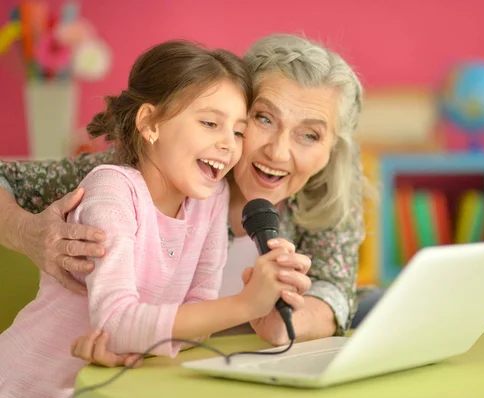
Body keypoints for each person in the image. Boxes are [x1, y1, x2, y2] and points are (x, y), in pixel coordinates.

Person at [0, 34, 380, 367]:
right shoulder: (144, 174)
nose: (279, 153)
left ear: (333, 147)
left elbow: (332, 287)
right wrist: (23, 230)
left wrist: (290, 323)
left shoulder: (327, 188)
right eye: (263, 119)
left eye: (310, 135)